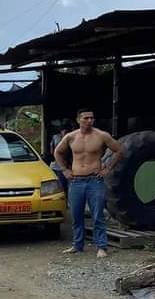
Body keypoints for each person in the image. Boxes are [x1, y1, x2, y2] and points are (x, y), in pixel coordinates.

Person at [53, 108, 123, 258]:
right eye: (86, 118)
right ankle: (77, 245)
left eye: (91, 118)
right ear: (78, 120)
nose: (89, 120)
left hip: (94, 180)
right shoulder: (71, 137)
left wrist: (108, 168)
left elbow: (119, 150)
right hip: (76, 181)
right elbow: (57, 152)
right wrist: (64, 170)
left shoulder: (101, 135)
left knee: (97, 215)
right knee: (76, 215)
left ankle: (101, 247)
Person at [49, 126, 70, 193]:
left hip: (61, 166)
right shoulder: (56, 137)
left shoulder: (69, 139)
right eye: (64, 132)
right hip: (54, 165)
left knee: (62, 186)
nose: (65, 133)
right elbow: (52, 148)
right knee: (53, 185)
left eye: (66, 132)